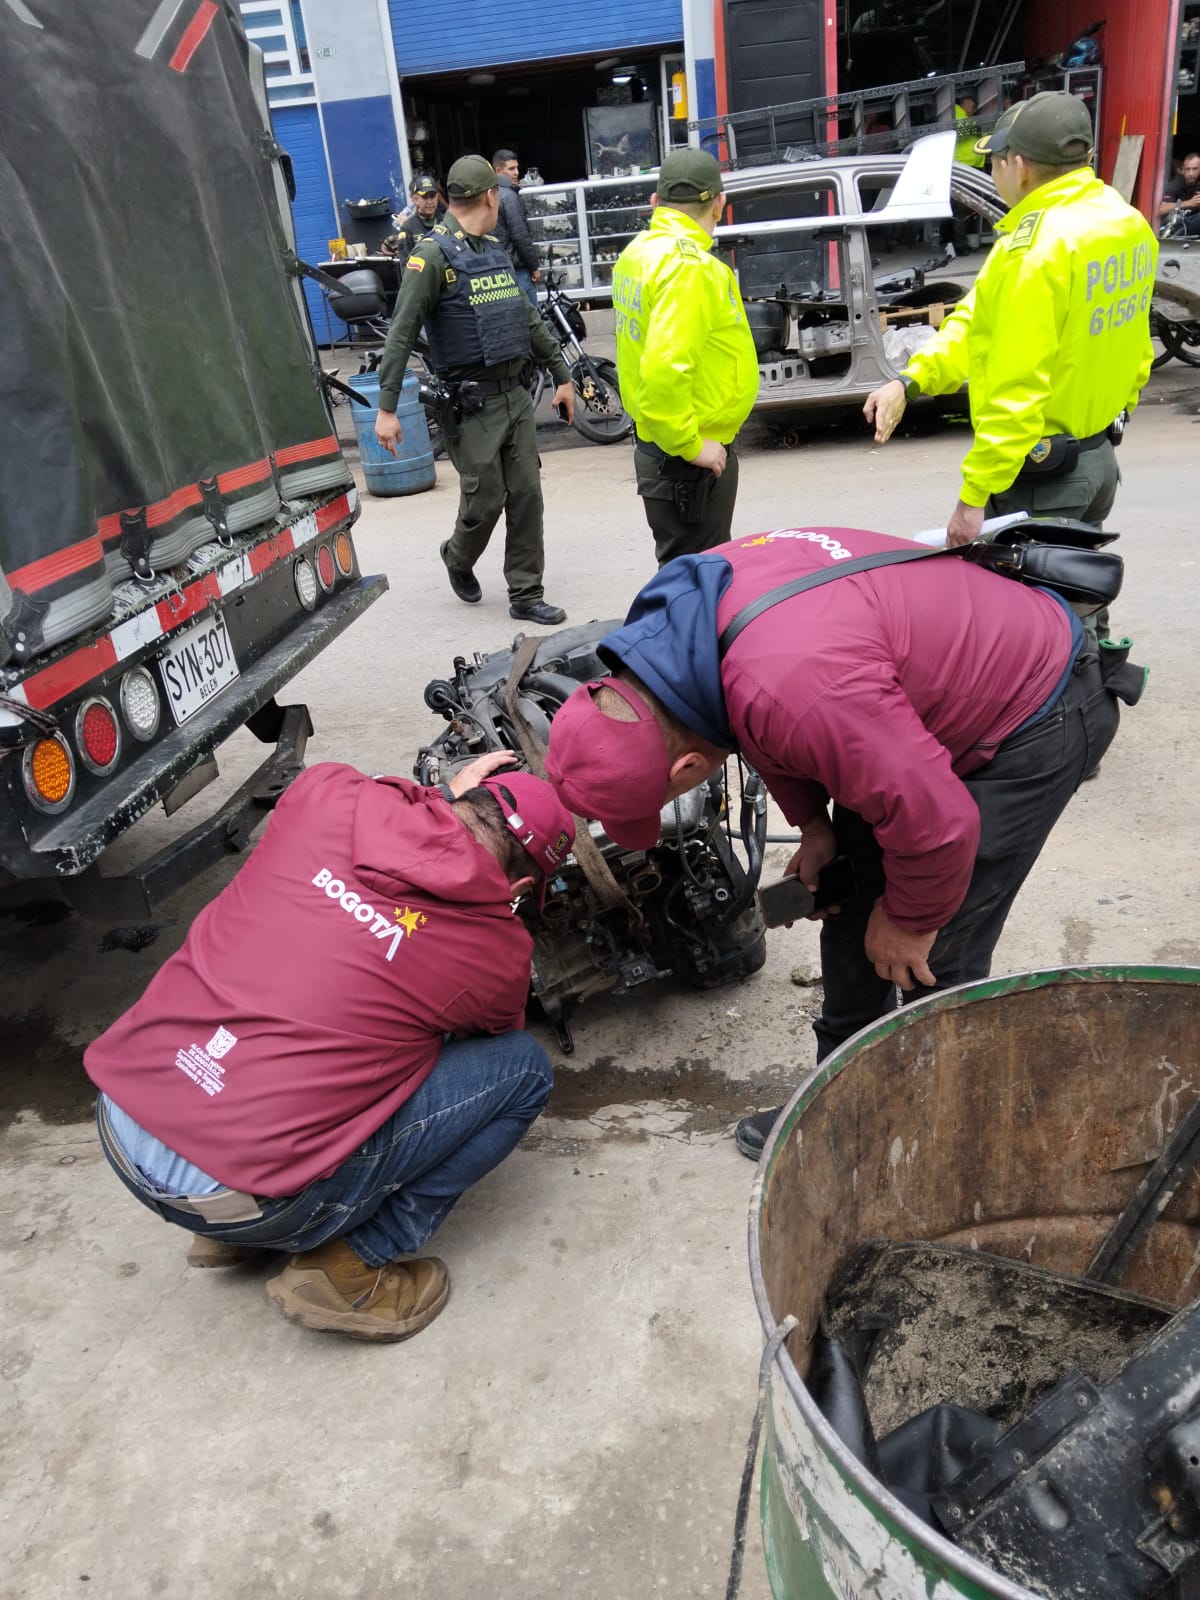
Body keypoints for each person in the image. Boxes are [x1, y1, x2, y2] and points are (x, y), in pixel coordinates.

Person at [544, 523, 1137, 1162]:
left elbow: (941, 825)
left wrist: (911, 920)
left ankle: (936, 1133)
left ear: (686, 770)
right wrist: (815, 824)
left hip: (1035, 707)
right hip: (896, 694)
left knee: (937, 950)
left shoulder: (797, 687)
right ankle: (844, 1099)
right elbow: (744, 717)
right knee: (852, 903)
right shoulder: (674, 641)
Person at [84, 755, 576, 1342]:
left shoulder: (325, 794)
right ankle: (349, 1268)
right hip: (256, 1202)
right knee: (521, 1071)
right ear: (520, 887)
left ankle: (222, 1226)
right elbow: (491, 1036)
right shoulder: (494, 952)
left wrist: (438, 800)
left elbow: (380, 799)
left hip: (122, 1123)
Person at [864, 92, 1157, 541]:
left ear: (1017, 166)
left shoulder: (1035, 251)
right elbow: (977, 322)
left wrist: (973, 497)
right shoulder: (1126, 223)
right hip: (1097, 460)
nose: (992, 172)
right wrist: (911, 381)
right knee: (1080, 581)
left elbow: (1017, 389)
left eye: (994, 163)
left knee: (1027, 588)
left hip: (1043, 479)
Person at [374, 154, 574, 627]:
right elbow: (402, 332)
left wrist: (562, 374)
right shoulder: (431, 256)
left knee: (526, 494)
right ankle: (457, 556)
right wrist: (387, 408)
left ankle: (526, 593)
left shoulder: (493, 250)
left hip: (516, 395)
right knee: (485, 500)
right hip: (472, 404)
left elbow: (527, 318)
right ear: (490, 196)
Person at [611, 147, 759, 567]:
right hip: (687, 456)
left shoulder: (639, 253)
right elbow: (665, 368)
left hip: (662, 445)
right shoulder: (690, 268)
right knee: (698, 582)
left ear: (655, 202)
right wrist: (691, 446)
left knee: (683, 574)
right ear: (719, 203)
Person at [492, 148, 541, 306]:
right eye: (511, 169)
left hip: (499, 269)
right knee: (532, 316)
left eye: (517, 168)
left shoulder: (490, 194)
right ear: (498, 171)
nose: (516, 173)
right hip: (518, 270)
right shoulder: (509, 196)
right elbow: (521, 236)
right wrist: (534, 267)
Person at [380, 174, 445, 263]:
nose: (430, 202)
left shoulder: (446, 222)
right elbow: (404, 263)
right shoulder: (408, 228)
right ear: (415, 199)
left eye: (432, 196)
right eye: (425, 197)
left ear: (437, 197)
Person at [1160, 152, 1200, 236]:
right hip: (1177, 225)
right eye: (1188, 169)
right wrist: (1190, 203)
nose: (1191, 173)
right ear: (1183, 170)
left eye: (1195, 169)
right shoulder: (1175, 184)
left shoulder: (1197, 182)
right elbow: (1162, 209)